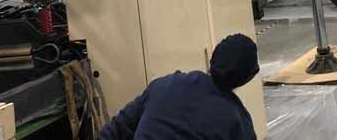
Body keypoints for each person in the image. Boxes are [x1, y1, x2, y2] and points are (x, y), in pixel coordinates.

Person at [99, 33, 259, 140]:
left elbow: (117, 128)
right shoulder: (238, 121)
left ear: (212, 59)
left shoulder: (166, 84)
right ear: (247, 77)